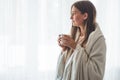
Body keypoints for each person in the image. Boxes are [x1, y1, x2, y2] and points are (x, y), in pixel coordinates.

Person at [55, 0, 106, 80]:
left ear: (85, 15)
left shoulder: (98, 40)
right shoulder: (75, 36)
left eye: (74, 13)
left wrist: (75, 47)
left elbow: (96, 74)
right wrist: (65, 50)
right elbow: (68, 67)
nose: (70, 17)